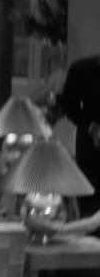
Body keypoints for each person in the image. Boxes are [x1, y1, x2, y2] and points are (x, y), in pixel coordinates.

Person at [59, 53, 100, 219]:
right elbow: (69, 106)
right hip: (91, 145)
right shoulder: (81, 70)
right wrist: (91, 127)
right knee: (90, 203)